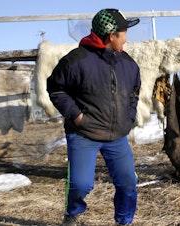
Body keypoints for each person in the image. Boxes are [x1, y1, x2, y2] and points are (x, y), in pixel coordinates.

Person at [47, 8, 141, 225]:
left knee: (127, 183)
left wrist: (129, 116)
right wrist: (78, 117)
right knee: (80, 184)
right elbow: (55, 89)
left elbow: (134, 91)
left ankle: (124, 221)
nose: (126, 36)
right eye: (124, 31)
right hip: (84, 133)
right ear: (112, 36)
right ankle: (73, 212)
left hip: (117, 135)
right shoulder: (76, 60)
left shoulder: (128, 63)